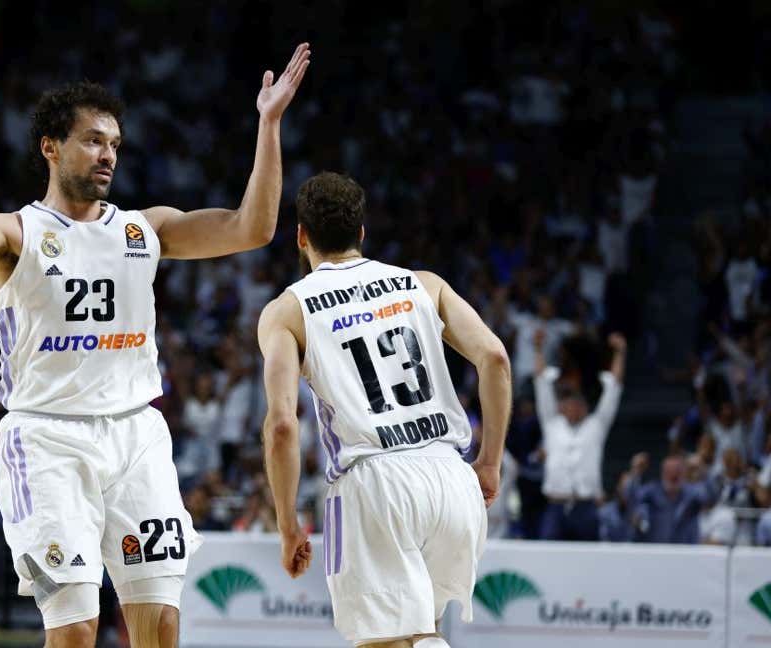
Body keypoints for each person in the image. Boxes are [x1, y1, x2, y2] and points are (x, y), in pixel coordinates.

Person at [0, 42, 311, 647]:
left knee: (160, 627)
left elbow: (251, 227)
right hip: (49, 440)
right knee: (76, 631)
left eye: (113, 144)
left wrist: (269, 124)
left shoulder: (142, 228)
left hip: (136, 437)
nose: (107, 154)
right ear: (50, 148)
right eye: (92, 140)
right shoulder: (16, 232)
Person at [257, 172, 511, 648]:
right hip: (450, 475)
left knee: (384, 641)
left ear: (301, 236)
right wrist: (490, 462)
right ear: (362, 233)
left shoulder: (287, 311)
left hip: (373, 480)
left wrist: (288, 524)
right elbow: (494, 357)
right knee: (423, 636)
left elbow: (282, 426)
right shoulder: (423, 285)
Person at [533, 329, 626, 541]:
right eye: (568, 402)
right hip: (556, 505)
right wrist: (538, 349)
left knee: (589, 562)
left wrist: (620, 353)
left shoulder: (596, 425)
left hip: (586, 507)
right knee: (547, 559)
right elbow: (540, 384)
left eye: (578, 402)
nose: (573, 406)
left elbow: (614, 391)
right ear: (562, 406)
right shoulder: (552, 423)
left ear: (585, 406)